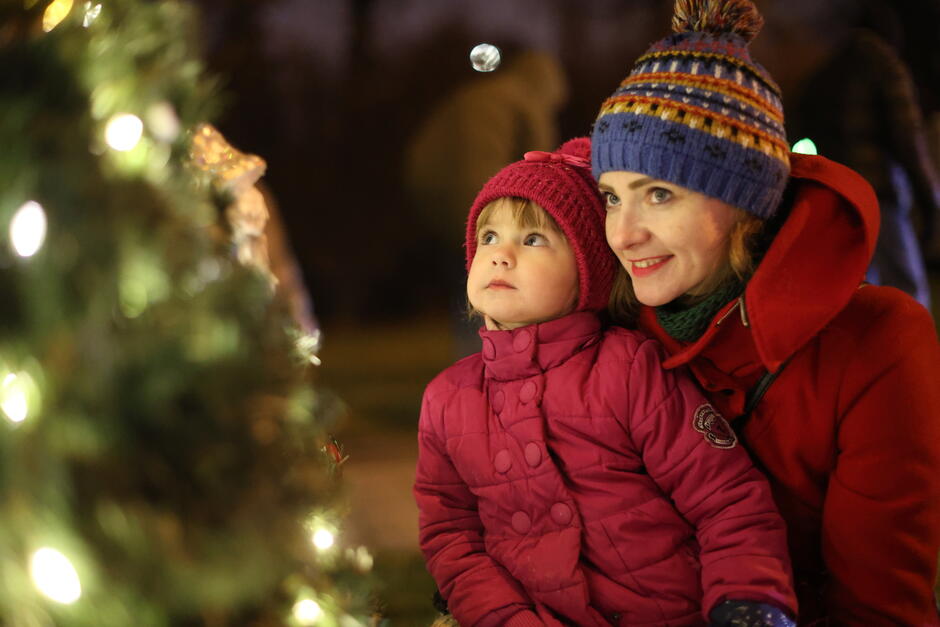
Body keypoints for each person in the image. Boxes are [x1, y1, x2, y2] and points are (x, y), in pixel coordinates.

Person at [590, 0, 940, 624]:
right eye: (612, 197)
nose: (624, 233)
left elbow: (879, 606)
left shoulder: (877, 343)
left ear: (747, 204)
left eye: (660, 194)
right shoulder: (612, 335)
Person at [414, 138, 797, 626]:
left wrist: (746, 599)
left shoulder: (628, 368)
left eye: (533, 240)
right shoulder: (448, 399)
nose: (500, 255)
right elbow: (452, 535)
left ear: (587, 270)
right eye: (488, 237)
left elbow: (724, 496)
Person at [794, 0, 940, 312]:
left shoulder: (829, 67)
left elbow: (803, 127)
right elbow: (908, 135)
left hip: (839, 195)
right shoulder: (883, 63)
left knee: (859, 287)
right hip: (879, 192)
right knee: (907, 288)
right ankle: (916, 356)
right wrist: (929, 197)